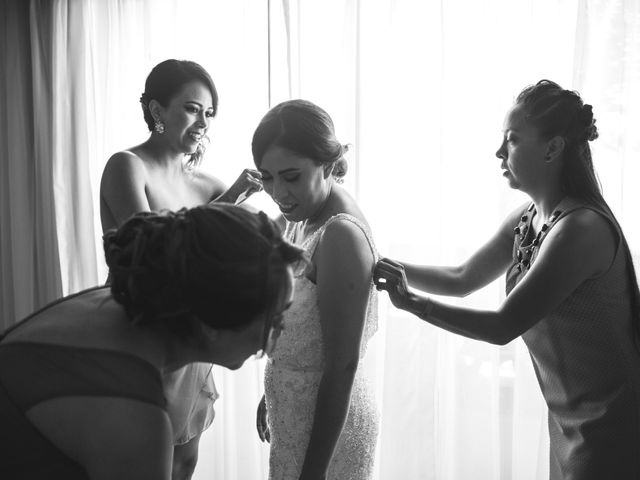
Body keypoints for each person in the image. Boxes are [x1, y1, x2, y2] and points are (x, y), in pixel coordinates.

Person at [374, 80, 640, 479]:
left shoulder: (579, 229)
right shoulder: (527, 219)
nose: (499, 152)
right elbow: (463, 277)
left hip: (610, 427)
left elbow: (503, 327)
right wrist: (381, 263)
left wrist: (414, 303)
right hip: (569, 421)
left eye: (512, 140)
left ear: (553, 148)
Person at [0, 204, 303, 480]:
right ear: (214, 322)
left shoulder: (127, 309)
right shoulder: (133, 419)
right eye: (273, 318)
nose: (283, 328)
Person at [99, 59, 262, 479]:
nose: (202, 122)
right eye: (192, 108)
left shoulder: (209, 186)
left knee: (185, 461)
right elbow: (152, 251)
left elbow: (232, 254)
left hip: (192, 337)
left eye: (208, 113)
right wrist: (232, 199)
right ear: (157, 111)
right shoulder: (127, 166)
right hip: (140, 335)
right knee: (137, 461)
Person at [252, 99, 379, 479]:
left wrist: (314, 473)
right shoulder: (298, 216)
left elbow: (343, 363)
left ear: (327, 165)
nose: (278, 192)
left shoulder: (340, 234)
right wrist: (276, 391)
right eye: (267, 177)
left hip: (329, 427)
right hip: (295, 406)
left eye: (291, 176)